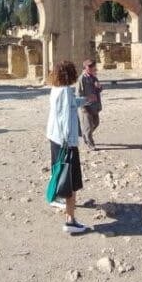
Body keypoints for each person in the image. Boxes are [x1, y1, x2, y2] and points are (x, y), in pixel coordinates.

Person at [46, 60, 89, 235]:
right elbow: (65, 117)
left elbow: (68, 105)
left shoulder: (56, 90)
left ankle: (56, 198)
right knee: (70, 180)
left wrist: (84, 100)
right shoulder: (65, 91)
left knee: (58, 171)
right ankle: (70, 220)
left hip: (54, 138)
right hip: (65, 142)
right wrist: (69, 145)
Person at [76, 59, 102, 150]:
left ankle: (85, 135)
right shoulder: (81, 78)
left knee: (96, 123)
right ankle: (90, 143)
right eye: (90, 67)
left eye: (93, 66)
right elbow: (78, 94)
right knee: (87, 126)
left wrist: (99, 87)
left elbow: (99, 89)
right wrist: (82, 106)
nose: (92, 68)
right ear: (85, 67)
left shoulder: (93, 77)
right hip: (85, 106)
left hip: (94, 105)